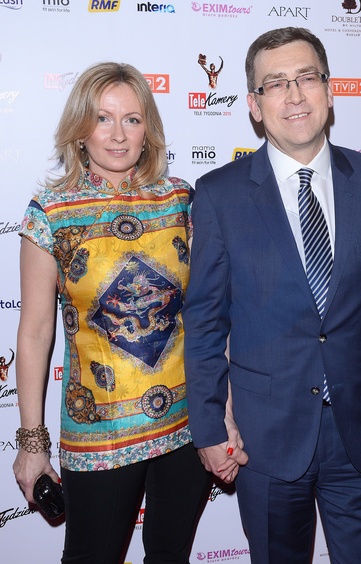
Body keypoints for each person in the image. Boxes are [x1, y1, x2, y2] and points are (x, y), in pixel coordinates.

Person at [183, 27, 361, 563]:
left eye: (306, 78)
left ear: (329, 88)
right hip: (263, 438)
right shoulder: (219, 195)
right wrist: (207, 425)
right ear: (254, 105)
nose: (294, 95)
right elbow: (204, 322)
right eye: (275, 84)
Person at [12, 61, 217, 564]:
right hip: (97, 436)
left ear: (149, 129)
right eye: (103, 119)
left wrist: (224, 412)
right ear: (80, 129)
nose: (119, 134)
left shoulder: (181, 201)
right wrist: (32, 442)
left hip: (187, 426)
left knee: (170, 556)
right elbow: (35, 333)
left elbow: (210, 314)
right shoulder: (51, 213)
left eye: (132, 119)